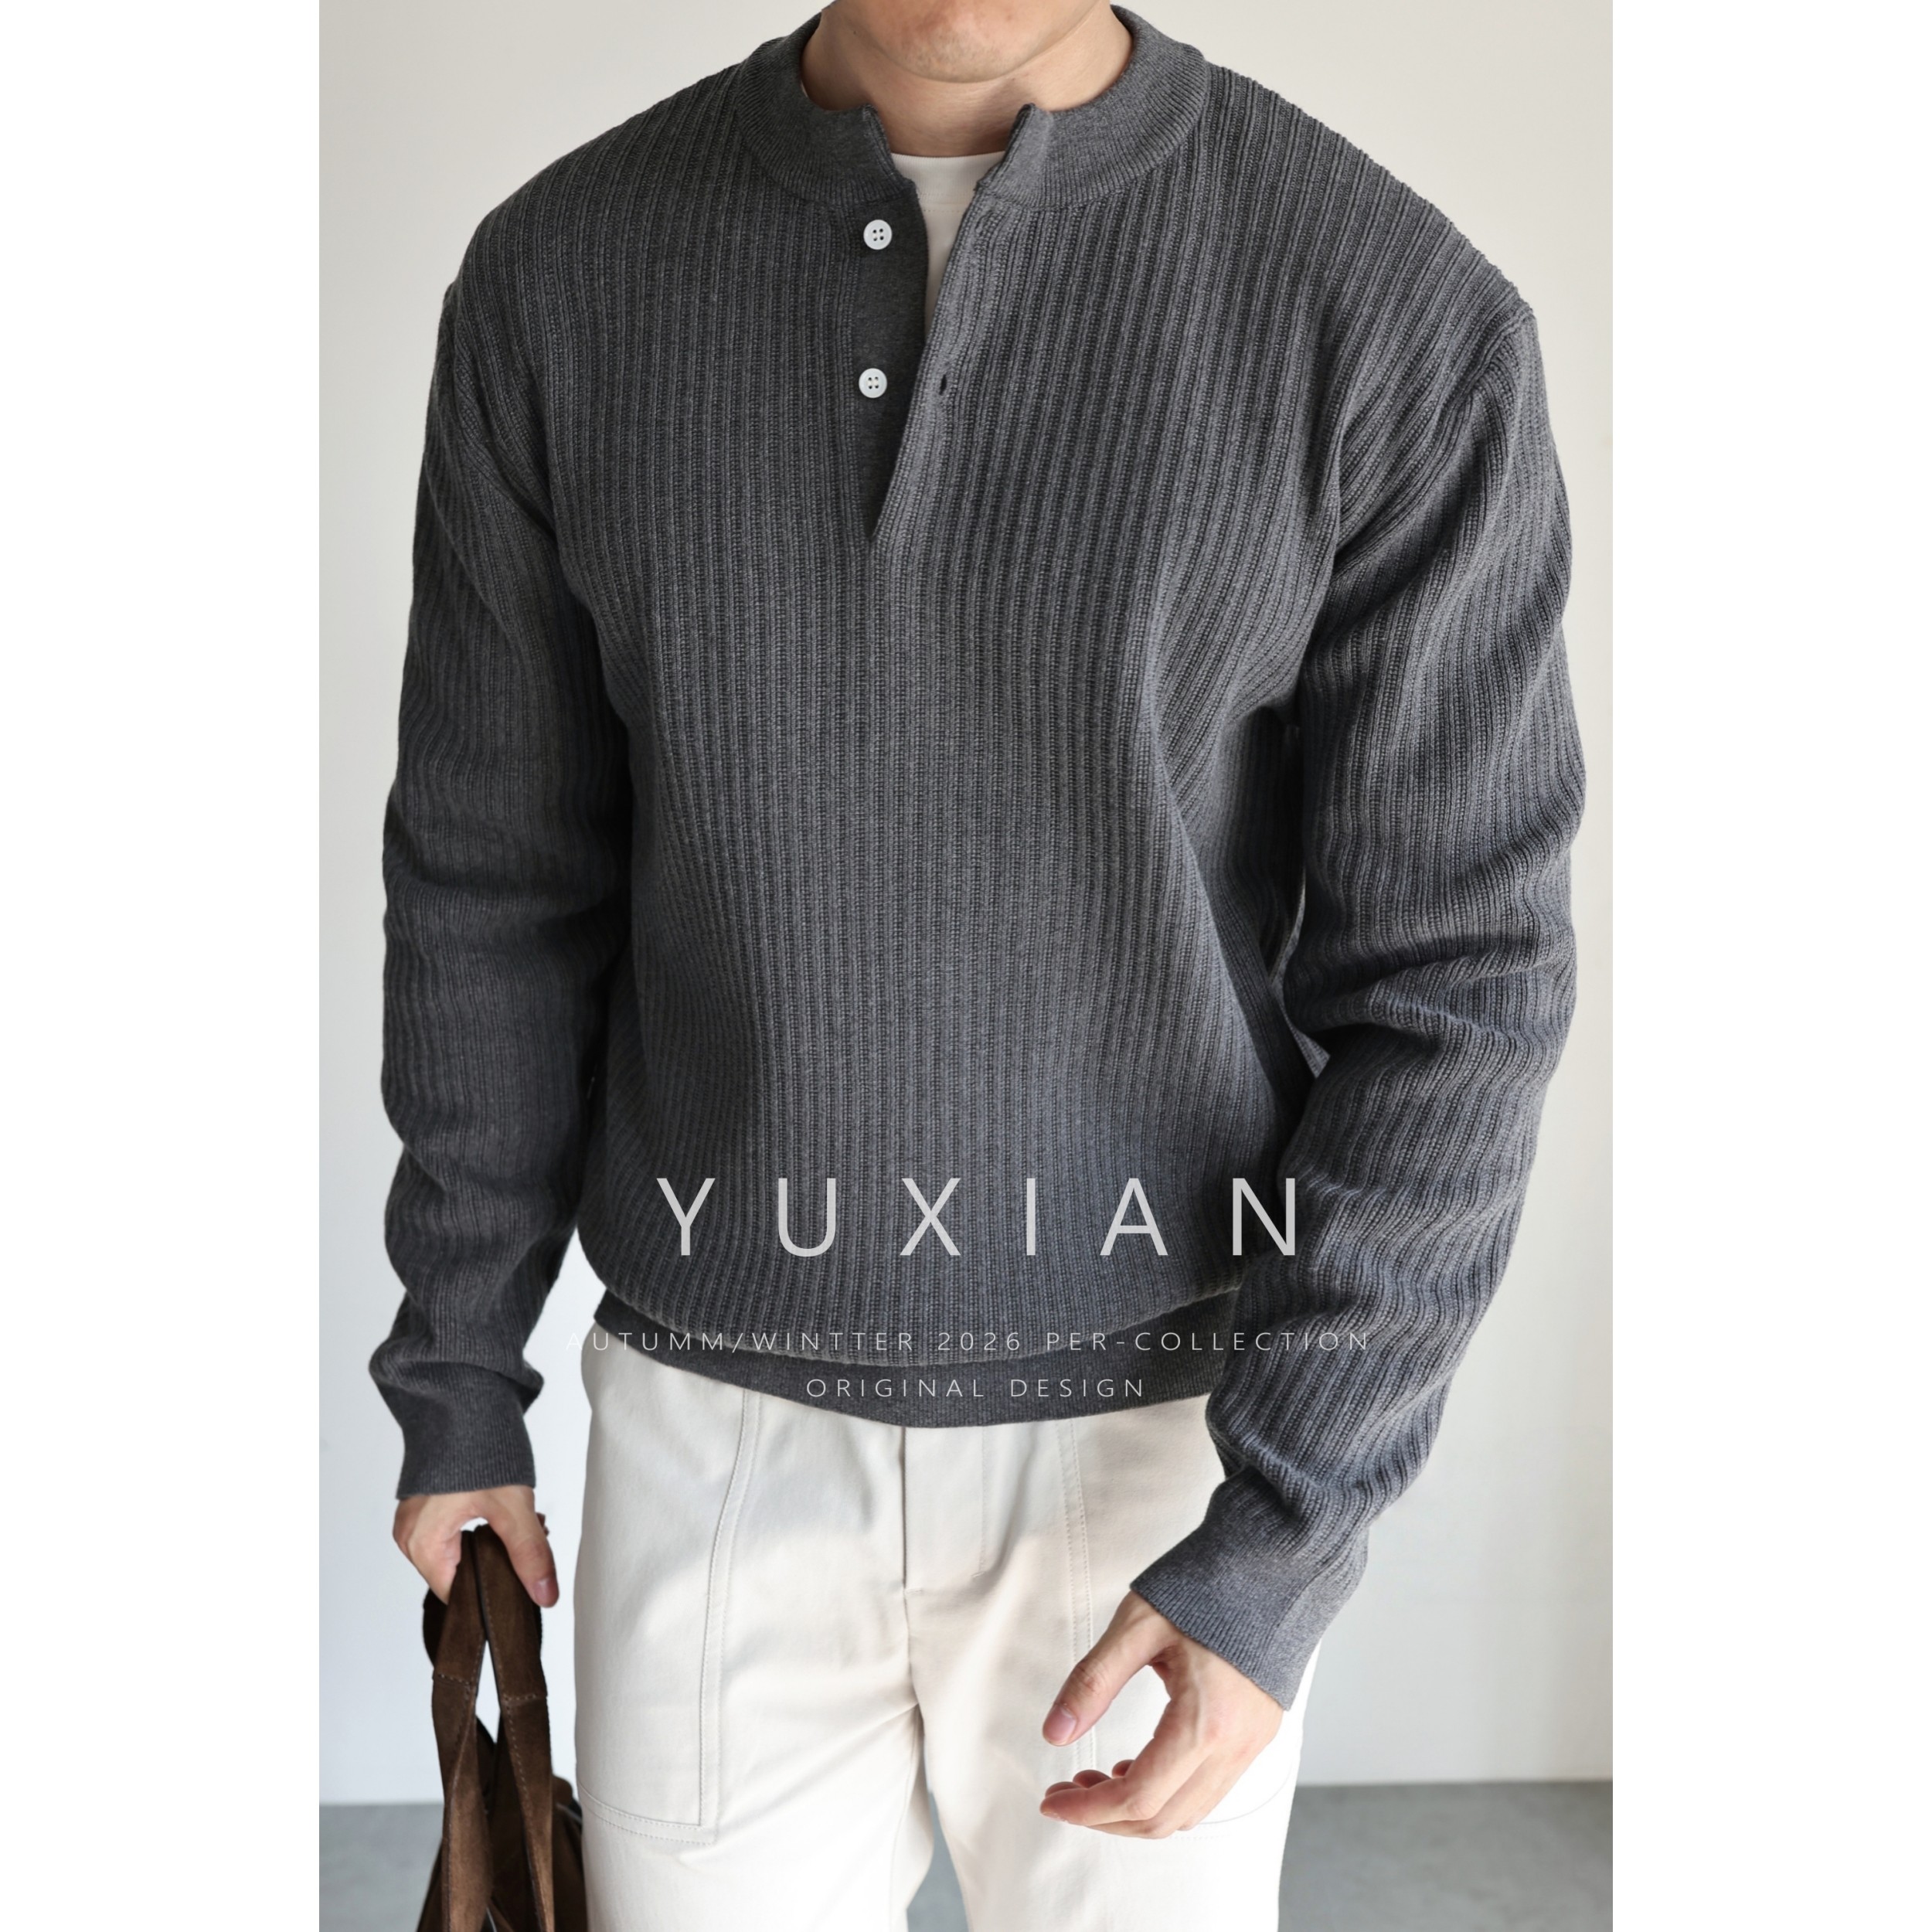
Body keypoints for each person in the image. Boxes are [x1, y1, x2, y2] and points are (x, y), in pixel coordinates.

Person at [373, 2, 1583, 1924]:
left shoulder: (1386, 308)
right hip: (711, 1432)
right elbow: (495, 880)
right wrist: (457, 1372)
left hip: (1159, 1451)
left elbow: (1457, 976)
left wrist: (1281, 1527)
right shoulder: (561, 273)